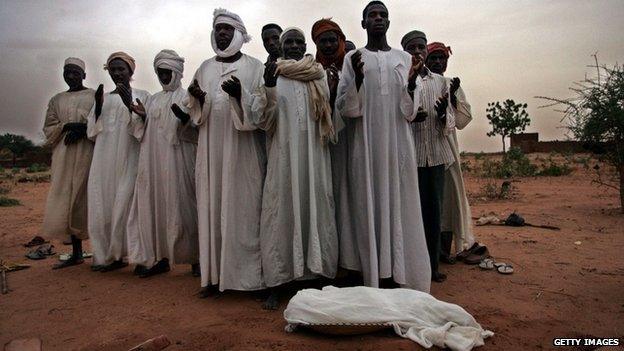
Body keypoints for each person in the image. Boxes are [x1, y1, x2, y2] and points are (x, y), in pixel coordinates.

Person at [335, 1, 431, 292]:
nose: (378, 19)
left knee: (399, 201)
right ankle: (372, 273)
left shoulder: (403, 58)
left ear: (389, 22)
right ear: (363, 23)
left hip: (397, 146)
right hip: (365, 145)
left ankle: (399, 272)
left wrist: (412, 83)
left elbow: (409, 111)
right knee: (368, 201)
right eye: (372, 15)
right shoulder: (353, 57)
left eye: (383, 15)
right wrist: (359, 79)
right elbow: (346, 108)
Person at [185, 9, 267, 297]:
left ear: (238, 34)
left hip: (243, 152)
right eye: (218, 29)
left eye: (226, 29)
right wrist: (198, 100)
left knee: (244, 209)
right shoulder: (204, 68)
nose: (221, 33)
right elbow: (194, 111)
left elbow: (260, 111)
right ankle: (214, 278)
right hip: (210, 151)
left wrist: (238, 97)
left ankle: (248, 279)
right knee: (211, 207)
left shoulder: (254, 66)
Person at [255, 27, 338, 309]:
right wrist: (267, 88)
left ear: (305, 46)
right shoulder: (273, 74)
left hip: (314, 155)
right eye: (287, 42)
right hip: (284, 157)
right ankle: (278, 282)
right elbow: (263, 121)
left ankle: (317, 275)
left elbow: (326, 114)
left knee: (316, 208)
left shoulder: (317, 74)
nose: (292, 46)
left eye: (297, 42)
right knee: (281, 213)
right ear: (280, 46)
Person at [126, 49, 199, 278]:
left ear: (177, 72)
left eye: (168, 72)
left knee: (185, 206)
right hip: (155, 162)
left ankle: (196, 259)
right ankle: (161, 258)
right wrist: (143, 116)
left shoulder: (188, 97)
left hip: (180, 161)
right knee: (157, 207)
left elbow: (197, 130)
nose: (164, 77)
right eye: (160, 72)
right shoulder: (153, 99)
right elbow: (144, 132)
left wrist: (185, 119)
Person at [87, 52, 150, 272]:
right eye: (112, 69)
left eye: (121, 69)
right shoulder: (102, 98)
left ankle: (137, 256)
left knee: (128, 205)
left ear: (131, 71)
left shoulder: (142, 95)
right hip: (104, 160)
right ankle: (109, 257)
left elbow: (143, 131)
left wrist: (129, 105)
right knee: (102, 205)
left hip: (129, 158)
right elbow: (92, 133)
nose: (116, 73)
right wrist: (96, 107)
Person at [401, 30, 455, 282]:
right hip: (409, 156)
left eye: (421, 47)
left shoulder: (441, 82)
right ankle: (412, 266)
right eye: (411, 48)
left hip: (435, 157)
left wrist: (444, 113)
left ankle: (432, 266)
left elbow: (451, 121)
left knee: (434, 213)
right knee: (411, 214)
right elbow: (397, 114)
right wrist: (412, 117)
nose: (417, 52)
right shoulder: (401, 78)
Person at [425, 42, 476, 260]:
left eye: (441, 58)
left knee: (449, 199)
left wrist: (453, 97)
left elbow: (463, 120)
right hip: (425, 148)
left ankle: (444, 251)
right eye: (433, 58)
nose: (438, 62)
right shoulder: (421, 82)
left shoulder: (450, 83)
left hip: (448, 148)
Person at [42, 57, 94, 269]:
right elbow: (49, 127)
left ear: (83, 75)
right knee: (67, 199)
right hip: (64, 156)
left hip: (87, 154)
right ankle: (76, 252)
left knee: (86, 199)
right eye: (67, 72)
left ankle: (104, 250)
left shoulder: (93, 96)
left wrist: (82, 130)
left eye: (75, 72)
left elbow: (99, 122)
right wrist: (67, 126)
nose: (71, 76)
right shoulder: (56, 100)